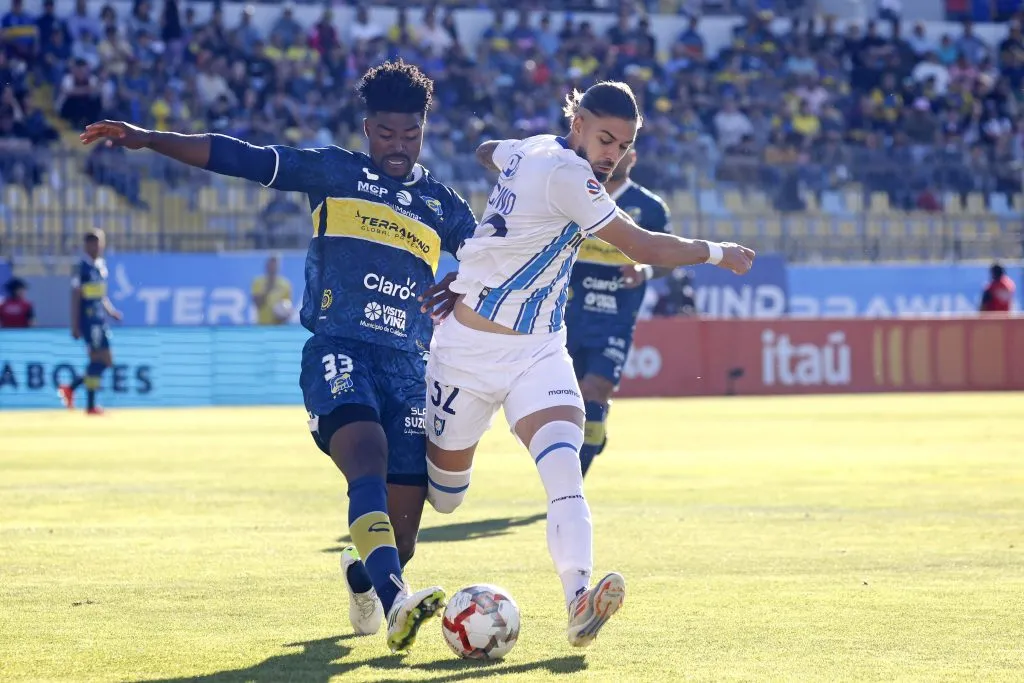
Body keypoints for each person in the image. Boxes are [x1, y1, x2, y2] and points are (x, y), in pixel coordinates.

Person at [80, 61, 479, 653]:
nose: (398, 146)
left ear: (423, 132)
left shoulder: (443, 205)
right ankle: (398, 600)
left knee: (403, 532)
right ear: (367, 128)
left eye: (411, 135)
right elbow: (236, 156)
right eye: (386, 133)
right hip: (339, 349)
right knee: (364, 455)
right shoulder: (333, 171)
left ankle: (363, 574)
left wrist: (469, 278)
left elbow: (495, 259)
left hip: (408, 366)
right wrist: (148, 138)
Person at [422, 81, 755, 649]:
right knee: (445, 496)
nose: (611, 155)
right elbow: (644, 246)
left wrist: (500, 206)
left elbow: (487, 152)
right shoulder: (568, 174)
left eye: (622, 146)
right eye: (604, 139)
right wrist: (718, 252)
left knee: (564, 469)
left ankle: (579, 598)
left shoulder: (530, 149)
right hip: (468, 354)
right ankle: (374, 556)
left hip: (541, 351)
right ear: (576, 123)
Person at [563, 147, 672, 478]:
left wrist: (645, 272)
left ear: (633, 157)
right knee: (570, 401)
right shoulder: (575, 194)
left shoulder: (650, 207)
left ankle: (571, 487)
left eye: (623, 150)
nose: (615, 156)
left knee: (595, 389)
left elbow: (669, 257)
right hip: (568, 314)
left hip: (615, 318)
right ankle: (593, 434)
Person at [59, 229, 123, 415]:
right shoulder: (81, 268)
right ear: (86, 245)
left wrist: (111, 311)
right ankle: (90, 405)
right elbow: (75, 297)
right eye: (93, 243)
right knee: (98, 360)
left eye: (100, 243)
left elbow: (101, 295)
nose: (97, 246)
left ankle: (71, 389)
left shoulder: (101, 266)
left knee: (106, 361)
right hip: (89, 321)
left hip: (100, 320)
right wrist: (75, 325)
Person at [251, 253, 293, 325]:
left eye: (274, 265)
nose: (272, 268)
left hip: (279, 327)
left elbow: (288, 306)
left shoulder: (285, 284)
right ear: (266, 266)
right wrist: (267, 290)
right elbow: (257, 304)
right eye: (270, 265)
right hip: (262, 325)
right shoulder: (258, 282)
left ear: (278, 267)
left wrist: (283, 314)